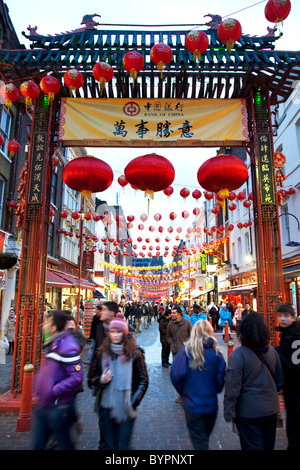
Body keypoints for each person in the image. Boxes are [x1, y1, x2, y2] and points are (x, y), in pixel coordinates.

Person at [223, 313, 284, 450]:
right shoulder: (273, 353)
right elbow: (279, 383)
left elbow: (232, 386)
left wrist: (229, 410)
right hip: (270, 410)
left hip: (248, 412)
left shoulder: (238, 355)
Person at [87, 315, 149, 450]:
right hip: (106, 407)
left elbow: (143, 381)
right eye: (113, 332)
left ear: (124, 333)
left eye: (119, 332)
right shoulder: (101, 353)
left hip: (126, 407)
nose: (115, 335)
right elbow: (90, 379)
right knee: (110, 445)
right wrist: (100, 380)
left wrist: (132, 403)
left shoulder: (135, 354)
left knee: (124, 445)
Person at [170, 320, 226, 450]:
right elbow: (220, 379)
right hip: (210, 405)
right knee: (203, 438)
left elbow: (176, 375)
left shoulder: (185, 352)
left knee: (200, 442)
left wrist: (183, 391)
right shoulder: (217, 355)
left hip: (192, 405)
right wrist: (214, 390)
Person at [32, 310, 84, 450]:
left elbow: (77, 376)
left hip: (58, 405)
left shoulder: (68, 346)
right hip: (44, 403)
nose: (45, 324)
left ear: (54, 327)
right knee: (39, 443)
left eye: (48, 321)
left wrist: (53, 390)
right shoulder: (54, 343)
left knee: (64, 444)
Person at [88, 301, 119, 449]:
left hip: (118, 384)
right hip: (103, 381)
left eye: (104, 310)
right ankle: (105, 445)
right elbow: (96, 354)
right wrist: (92, 377)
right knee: (103, 418)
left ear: (112, 313)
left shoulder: (123, 330)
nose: (100, 312)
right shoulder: (100, 328)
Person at [275, 303, 300, 450]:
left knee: (295, 421)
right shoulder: (287, 333)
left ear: (293, 317)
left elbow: (296, 366)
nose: (282, 319)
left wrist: (278, 355)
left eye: (286, 316)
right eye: (280, 316)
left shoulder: (295, 336)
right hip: (290, 387)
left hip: (296, 387)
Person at [166, 305, 192, 402]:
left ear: (179, 314)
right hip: (176, 352)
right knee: (178, 374)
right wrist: (172, 344)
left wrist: (190, 345)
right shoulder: (170, 325)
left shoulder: (187, 323)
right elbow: (168, 336)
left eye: (174, 313)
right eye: (171, 313)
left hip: (187, 352)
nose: (172, 315)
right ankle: (181, 394)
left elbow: (193, 335)